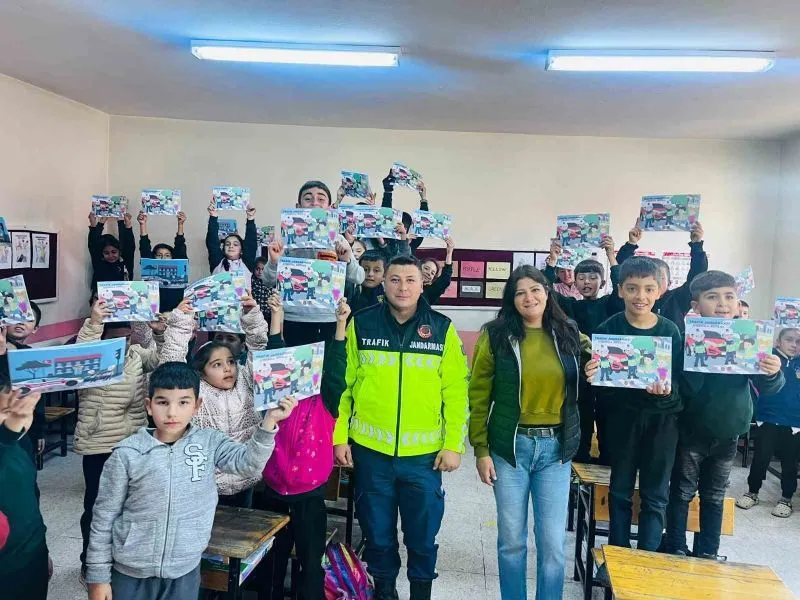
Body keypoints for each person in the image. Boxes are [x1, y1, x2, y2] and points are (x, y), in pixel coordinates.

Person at [85, 362, 296, 600]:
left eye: (183, 402)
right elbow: (103, 518)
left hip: (184, 570)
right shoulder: (127, 454)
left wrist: (269, 422)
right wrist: (98, 577)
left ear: (197, 406)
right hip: (129, 573)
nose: (172, 413)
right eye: (163, 402)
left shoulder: (209, 443)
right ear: (149, 406)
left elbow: (248, 464)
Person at [333, 255, 469, 600]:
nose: (403, 287)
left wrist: (453, 444)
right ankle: (385, 592)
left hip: (424, 458)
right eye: (395, 280)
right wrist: (340, 436)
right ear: (383, 283)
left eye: (410, 280)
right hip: (371, 453)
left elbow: (456, 392)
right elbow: (345, 387)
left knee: (422, 537)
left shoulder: (442, 328)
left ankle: (421, 593)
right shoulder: (362, 324)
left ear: (423, 284)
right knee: (377, 536)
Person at [468, 265, 589, 600]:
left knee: (552, 542)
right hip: (510, 448)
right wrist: (480, 449)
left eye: (535, 289)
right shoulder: (496, 335)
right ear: (511, 299)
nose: (529, 297)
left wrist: (598, 366)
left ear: (547, 293)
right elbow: (478, 394)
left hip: (556, 449)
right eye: (520, 292)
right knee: (512, 541)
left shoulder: (568, 332)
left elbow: (601, 359)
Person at [663, 271, 784, 558]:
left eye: (729, 296)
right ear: (696, 306)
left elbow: (769, 386)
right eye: (712, 297)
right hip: (692, 430)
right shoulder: (686, 340)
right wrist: (700, 361)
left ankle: (708, 552)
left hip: (729, 431)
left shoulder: (748, 339)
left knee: (715, 495)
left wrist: (772, 371)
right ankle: (676, 546)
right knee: (681, 492)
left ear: (738, 302)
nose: (722, 303)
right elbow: (679, 387)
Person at [584, 257, 683, 552]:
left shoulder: (670, 331)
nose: (641, 296)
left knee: (655, 494)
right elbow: (602, 388)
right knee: (619, 491)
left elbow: (682, 385)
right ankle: (617, 555)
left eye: (648, 289)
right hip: (621, 422)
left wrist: (666, 393)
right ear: (620, 290)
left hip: (662, 423)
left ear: (659, 291)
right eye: (632, 288)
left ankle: (648, 558)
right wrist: (593, 374)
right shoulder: (608, 328)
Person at [256, 296, 349, 600]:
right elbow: (274, 353)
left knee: (311, 565)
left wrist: (340, 324)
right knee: (270, 562)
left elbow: (336, 368)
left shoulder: (326, 400)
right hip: (273, 491)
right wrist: (276, 316)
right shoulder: (275, 400)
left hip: (310, 495)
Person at [74, 300, 163, 583]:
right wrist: (94, 322)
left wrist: (159, 333)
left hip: (132, 441)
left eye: (126, 337)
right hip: (99, 443)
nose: (123, 343)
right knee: (97, 507)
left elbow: (160, 361)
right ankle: (90, 563)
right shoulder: (91, 358)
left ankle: (123, 563)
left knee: (131, 505)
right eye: (115, 338)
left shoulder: (136, 354)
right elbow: (80, 352)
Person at [159, 293, 271, 508]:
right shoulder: (194, 391)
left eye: (230, 362)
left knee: (244, 526)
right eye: (217, 365)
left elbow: (258, 345)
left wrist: (251, 315)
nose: (227, 369)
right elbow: (171, 362)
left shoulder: (247, 379)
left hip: (244, 478)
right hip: (206, 483)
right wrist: (181, 321)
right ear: (201, 372)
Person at [544, 237, 619, 463]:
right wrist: (553, 260)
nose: (587, 282)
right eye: (582, 277)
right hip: (578, 369)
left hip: (608, 369)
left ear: (602, 282)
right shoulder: (570, 305)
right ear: (574, 282)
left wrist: (611, 256)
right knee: (581, 414)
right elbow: (546, 290)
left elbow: (620, 285)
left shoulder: (610, 304)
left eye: (593, 277)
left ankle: (608, 459)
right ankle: (580, 457)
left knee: (607, 415)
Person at [262, 181, 364, 346]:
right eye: (308, 199)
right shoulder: (286, 242)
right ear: (298, 206)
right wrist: (274, 262)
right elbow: (267, 281)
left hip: (330, 317)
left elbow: (359, 277)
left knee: (330, 362)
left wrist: (347, 260)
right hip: (294, 318)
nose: (315, 203)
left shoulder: (339, 240)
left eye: (321, 199)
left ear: (329, 207)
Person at [737, 326, 800, 517]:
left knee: (790, 462)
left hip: (794, 422)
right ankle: (752, 492)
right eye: (789, 339)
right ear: (778, 342)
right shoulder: (768, 358)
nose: (794, 345)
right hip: (767, 418)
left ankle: (786, 498)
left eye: (798, 342)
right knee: (761, 458)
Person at [0, 387, 50, 600]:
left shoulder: (18, 443)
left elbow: (30, 499)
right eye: (6, 412)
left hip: (31, 558)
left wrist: (43, 552)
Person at [614, 221, 708, 330]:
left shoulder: (677, 298)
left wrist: (696, 245)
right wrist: (631, 244)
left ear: (669, 283)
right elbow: (620, 271)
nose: (655, 282)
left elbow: (697, 276)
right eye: (651, 278)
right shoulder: (634, 297)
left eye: (661, 277)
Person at [138, 211, 188, 312]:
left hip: (176, 310)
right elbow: (145, 249)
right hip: (154, 311)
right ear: (154, 257)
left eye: (167, 255)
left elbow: (180, 248)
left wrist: (180, 225)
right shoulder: (150, 265)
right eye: (159, 255)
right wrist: (142, 225)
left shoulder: (177, 262)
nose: (163, 258)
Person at [206, 202, 258, 288]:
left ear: (241, 249)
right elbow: (212, 243)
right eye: (227, 244)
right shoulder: (217, 262)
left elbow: (251, 243)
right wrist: (213, 216)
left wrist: (250, 218)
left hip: (243, 297)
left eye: (235, 244)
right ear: (223, 248)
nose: (231, 246)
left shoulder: (246, 263)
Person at [88, 211, 135, 290]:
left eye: (114, 252)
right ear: (102, 253)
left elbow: (129, 246)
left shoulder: (126, 264)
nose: (110, 256)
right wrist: (98, 223)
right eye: (106, 253)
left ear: (119, 251)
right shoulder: (99, 263)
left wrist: (125, 224)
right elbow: (93, 245)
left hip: (125, 296)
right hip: (101, 296)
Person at [420, 236, 455, 305]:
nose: (429, 273)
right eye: (426, 268)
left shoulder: (430, 292)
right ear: (418, 267)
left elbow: (445, 279)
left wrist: (449, 253)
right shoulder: (405, 284)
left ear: (432, 279)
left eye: (432, 273)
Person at [252, 257, 272, 322]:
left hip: (267, 315)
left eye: (263, 269)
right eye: (257, 269)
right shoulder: (251, 281)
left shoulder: (270, 282)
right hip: (254, 315)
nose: (260, 272)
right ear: (253, 269)